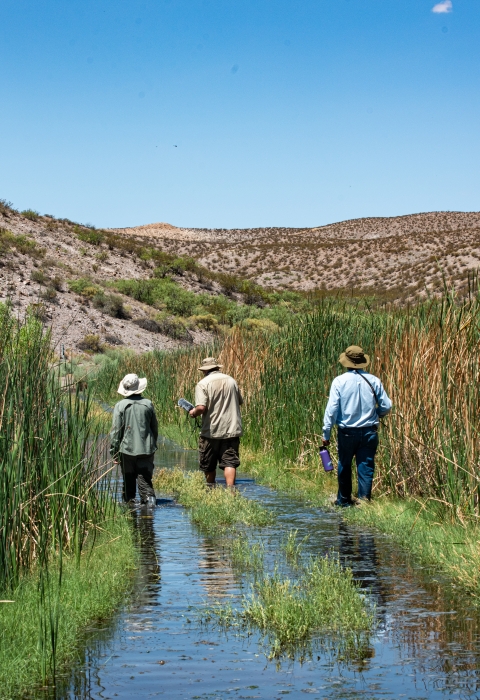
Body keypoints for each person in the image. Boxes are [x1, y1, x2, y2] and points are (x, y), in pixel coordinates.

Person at [322, 345, 392, 507]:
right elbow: (387, 406)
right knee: (366, 466)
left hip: (347, 432)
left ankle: (344, 501)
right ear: (362, 362)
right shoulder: (374, 380)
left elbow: (331, 410)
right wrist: (378, 414)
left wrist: (326, 434)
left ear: (346, 362)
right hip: (369, 432)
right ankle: (364, 503)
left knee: (344, 465)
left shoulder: (339, 381)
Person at [189, 357, 243, 487]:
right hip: (232, 429)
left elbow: (201, 408)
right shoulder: (231, 381)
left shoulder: (203, 383)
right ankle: (231, 491)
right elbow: (240, 402)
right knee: (230, 462)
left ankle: (210, 488)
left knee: (209, 463)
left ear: (204, 370)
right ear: (217, 367)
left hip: (211, 431)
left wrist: (193, 412)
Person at [110, 373, 158, 506]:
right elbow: (154, 428)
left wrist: (114, 452)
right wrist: (152, 444)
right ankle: (149, 516)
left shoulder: (120, 406)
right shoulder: (148, 404)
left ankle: (130, 513)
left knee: (129, 485)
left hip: (127, 450)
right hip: (146, 449)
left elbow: (115, 432)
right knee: (145, 483)